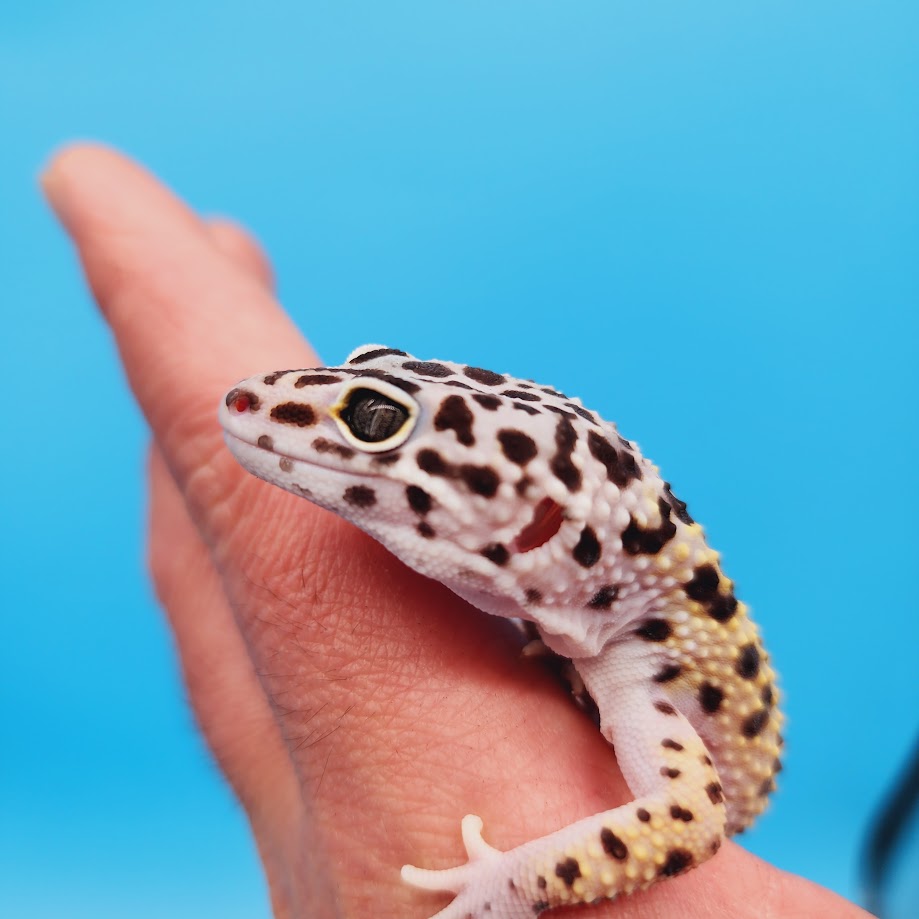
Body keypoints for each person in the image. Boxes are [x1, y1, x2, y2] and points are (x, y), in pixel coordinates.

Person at [42, 144, 873, 919]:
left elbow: (689, 821)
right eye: (369, 387)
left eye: (375, 422)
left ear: (538, 526)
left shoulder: (645, 678)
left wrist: (513, 883)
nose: (270, 404)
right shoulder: (587, 599)